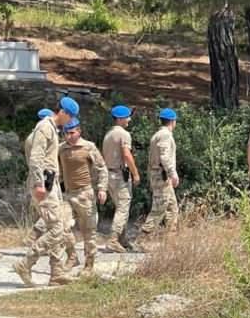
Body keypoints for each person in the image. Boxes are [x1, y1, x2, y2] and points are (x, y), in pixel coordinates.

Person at [13, 97, 80, 287]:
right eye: (71, 116)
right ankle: (26, 263)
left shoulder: (51, 129)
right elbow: (36, 158)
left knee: (57, 226)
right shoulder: (45, 127)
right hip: (44, 185)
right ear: (63, 112)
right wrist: (39, 184)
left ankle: (56, 272)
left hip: (51, 184)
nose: (70, 121)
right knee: (57, 228)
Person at [59, 118, 108, 276]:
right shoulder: (61, 149)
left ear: (79, 131)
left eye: (72, 133)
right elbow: (57, 169)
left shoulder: (88, 147)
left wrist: (102, 189)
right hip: (68, 194)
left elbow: (101, 169)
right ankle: (72, 257)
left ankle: (89, 263)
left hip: (85, 194)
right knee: (61, 226)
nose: (69, 136)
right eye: (66, 133)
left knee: (89, 231)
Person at [137, 108, 180, 241]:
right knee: (160, 208)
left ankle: (170, 240)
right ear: (173, 121)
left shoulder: (158, 134)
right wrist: (173, 174)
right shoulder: (165, 135)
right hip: (162, 176)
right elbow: (165, 157)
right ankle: (143, 238)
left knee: (172, 208)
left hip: (160, 175)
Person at [102, 105, 140, 253]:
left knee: (120, 208)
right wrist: (135, 173)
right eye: (127, 116)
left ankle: (122, 240)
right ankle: (113, 239)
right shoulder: (124, 134)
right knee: (124, 207)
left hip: (109, 175)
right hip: (119, 175)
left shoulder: (109, 134)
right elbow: (126, 154)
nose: (129, 119)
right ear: (119, 119)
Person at [23, 108, 55, 246]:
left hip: (35, 176)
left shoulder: (31, 136)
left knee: (42, 210)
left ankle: (38, 241)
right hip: (44, 177)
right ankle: (35, 236)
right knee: (52, 211)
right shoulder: (42, 135)